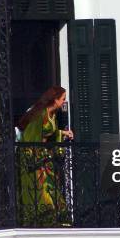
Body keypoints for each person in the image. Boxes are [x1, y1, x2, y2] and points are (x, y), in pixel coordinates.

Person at [16, 86, 74, 227]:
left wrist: (63, 134)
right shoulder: (40, 114)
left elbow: (49, 132)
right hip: (33, 159)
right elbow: (30, 137)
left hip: (43, 157)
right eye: (63, 99)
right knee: (41, 191)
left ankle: (55, 220)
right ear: (55, 100)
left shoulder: (52, 114)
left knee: (51, 188)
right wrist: (34, 156)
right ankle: (42, 220)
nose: (64, 102)